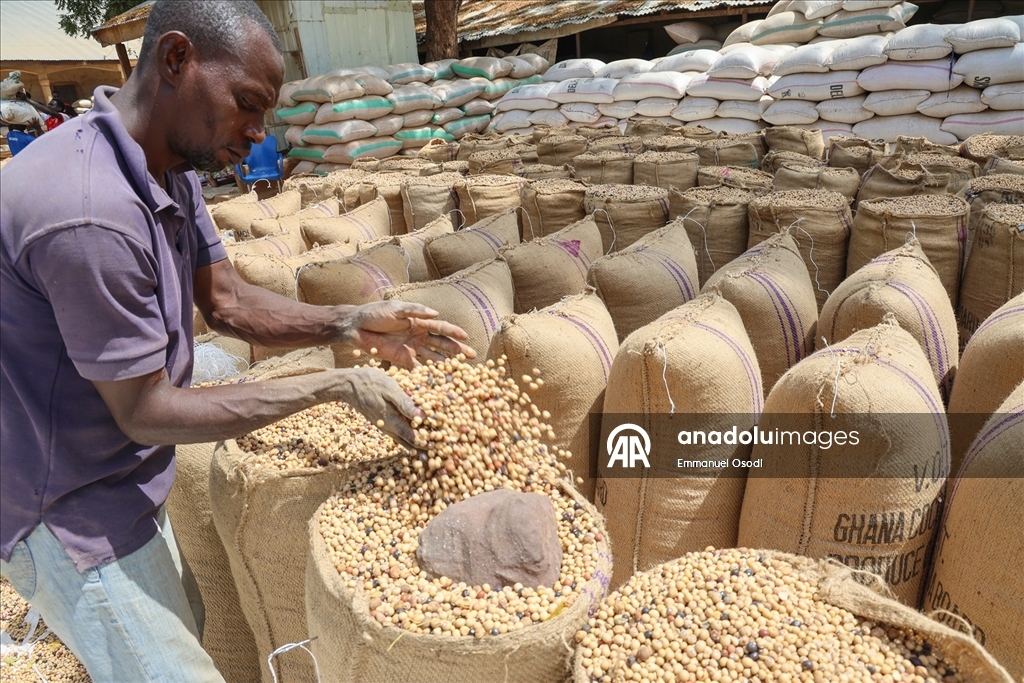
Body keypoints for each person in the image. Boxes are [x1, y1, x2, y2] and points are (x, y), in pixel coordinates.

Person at [0, 2, 474, 681]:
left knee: (176, 635)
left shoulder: (166, 165)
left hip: (119, 475)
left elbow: (225, 299)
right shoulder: (89, 213)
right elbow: (147, 409)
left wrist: (348, 325)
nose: (257, 136)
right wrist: (334, 384)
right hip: (66, 509)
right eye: (248, 105)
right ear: (175, 60)